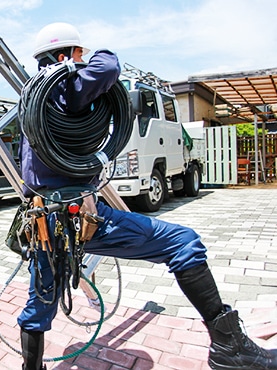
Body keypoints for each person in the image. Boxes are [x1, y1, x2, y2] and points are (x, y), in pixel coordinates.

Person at [17, 22, 277, 370]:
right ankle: (231, 349)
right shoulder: (68, 89)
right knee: (184, 244)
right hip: (77, 219)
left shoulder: (33, 101)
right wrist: (82, 60)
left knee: (39, 307)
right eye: (79, 53)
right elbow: (108, 65)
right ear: (65, 56)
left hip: (42, 222)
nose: (83, 60)